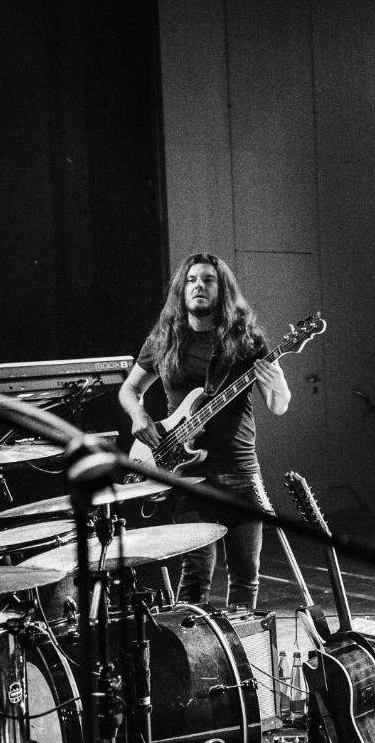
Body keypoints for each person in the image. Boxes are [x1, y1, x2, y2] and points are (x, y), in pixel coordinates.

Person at [119, 253, 291, 608]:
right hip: (184, 469)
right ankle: (188, 653)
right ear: (182, 290)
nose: (199, 285)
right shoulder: (162, 340)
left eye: (208, 280)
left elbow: (278, 406)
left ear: (221, 289)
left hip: (240, 469)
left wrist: (279, 383)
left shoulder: (245, 340)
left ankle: (239, 653)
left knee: (246, 573)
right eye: (192, 280)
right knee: (197, 568)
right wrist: (139, 417)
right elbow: (129, 389)